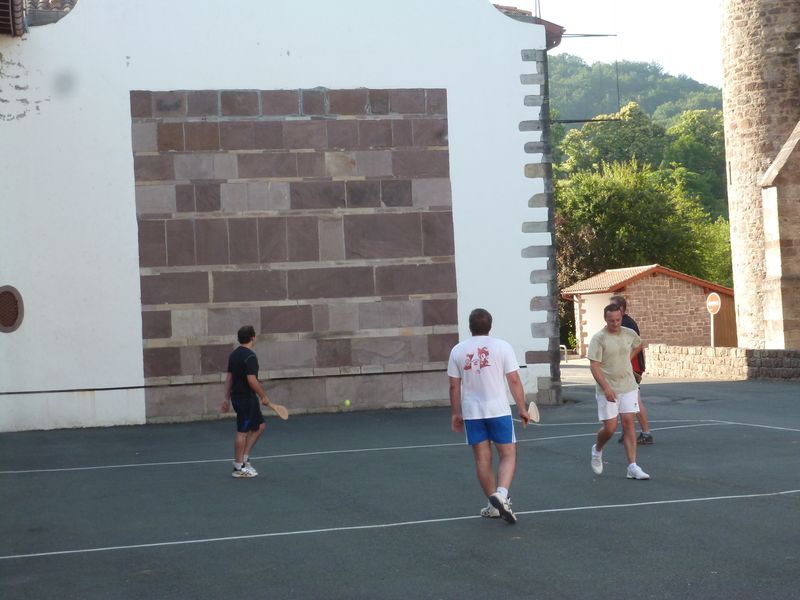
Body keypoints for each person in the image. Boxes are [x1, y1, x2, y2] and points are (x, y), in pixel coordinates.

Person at [447, 308, 531, 523]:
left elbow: (454, 386)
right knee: (508, 454)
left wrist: (456, 413)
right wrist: (522, 408)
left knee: (482, 459)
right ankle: (501, 495)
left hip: (472, 412)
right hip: (498, 410)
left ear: (470, 327)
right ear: (490, 326)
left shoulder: (457, 350)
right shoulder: (503, 346)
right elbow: (513, 380)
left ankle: (493, 505)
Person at [588, 304, 650, 480]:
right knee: (610, 428)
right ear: (605, 319)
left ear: (621, 317)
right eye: (611, 321)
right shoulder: (599, 338)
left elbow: (640, 344)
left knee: (629, 422)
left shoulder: (628, 333)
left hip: (628, 385)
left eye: (618, 319)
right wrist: (606, 388)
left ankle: (632, 466)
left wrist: (627, 358)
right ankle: (597, 449)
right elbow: (594, 366)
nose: (615, 323)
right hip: (608, 388)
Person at [221, 325, 273, 478]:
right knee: (242, 432)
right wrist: (263, 396)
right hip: (245, 399)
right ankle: (238, 468)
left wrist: (226, 398)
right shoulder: (250, 356)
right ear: (252, 337)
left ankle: (244, 459)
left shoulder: (234, 355)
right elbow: (252, 380)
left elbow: (229, 378)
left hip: (240, 397)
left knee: (260, 426)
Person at [609, 294, 653, 445]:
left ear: (621, 308)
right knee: (625, 399)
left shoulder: (627, 324)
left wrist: (626, 363)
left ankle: (646, 434)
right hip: (629, 367)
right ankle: (629, 432)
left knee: (634, 399)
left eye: (614, 306)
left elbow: (636, 345)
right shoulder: (623, 323)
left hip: (632, 368)